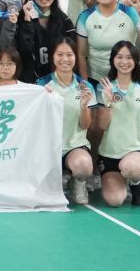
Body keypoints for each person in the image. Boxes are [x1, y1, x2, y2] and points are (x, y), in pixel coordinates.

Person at [92, 40, 140, 206]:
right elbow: (102, 125)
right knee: (114, 200)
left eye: (129, 57)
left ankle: (135, 182)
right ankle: (123, 181)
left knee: (130, 168)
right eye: (119, 57)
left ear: (135, 61)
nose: (124, 62)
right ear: (113, 60)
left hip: (136, 150)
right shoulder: (104, 88)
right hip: (109, 153)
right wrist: (109, 103)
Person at [40, 39, 97, 205]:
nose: (64, 59)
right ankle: (59, 177)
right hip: (48, 148)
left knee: (84, 166)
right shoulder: (42, 85)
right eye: (59, 54)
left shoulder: (85, 87)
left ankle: (78, 182)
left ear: (75, 57)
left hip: (74, 145)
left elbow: (85, 125)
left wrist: (84, 106)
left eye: (69, 54)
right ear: (52, 57)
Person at [14, 0, 74, 82]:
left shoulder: (64, 21)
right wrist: (27, 20)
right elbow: (24, 51)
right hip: (29, 80)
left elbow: (71, 52)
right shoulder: (22, 18)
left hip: (57, 80)